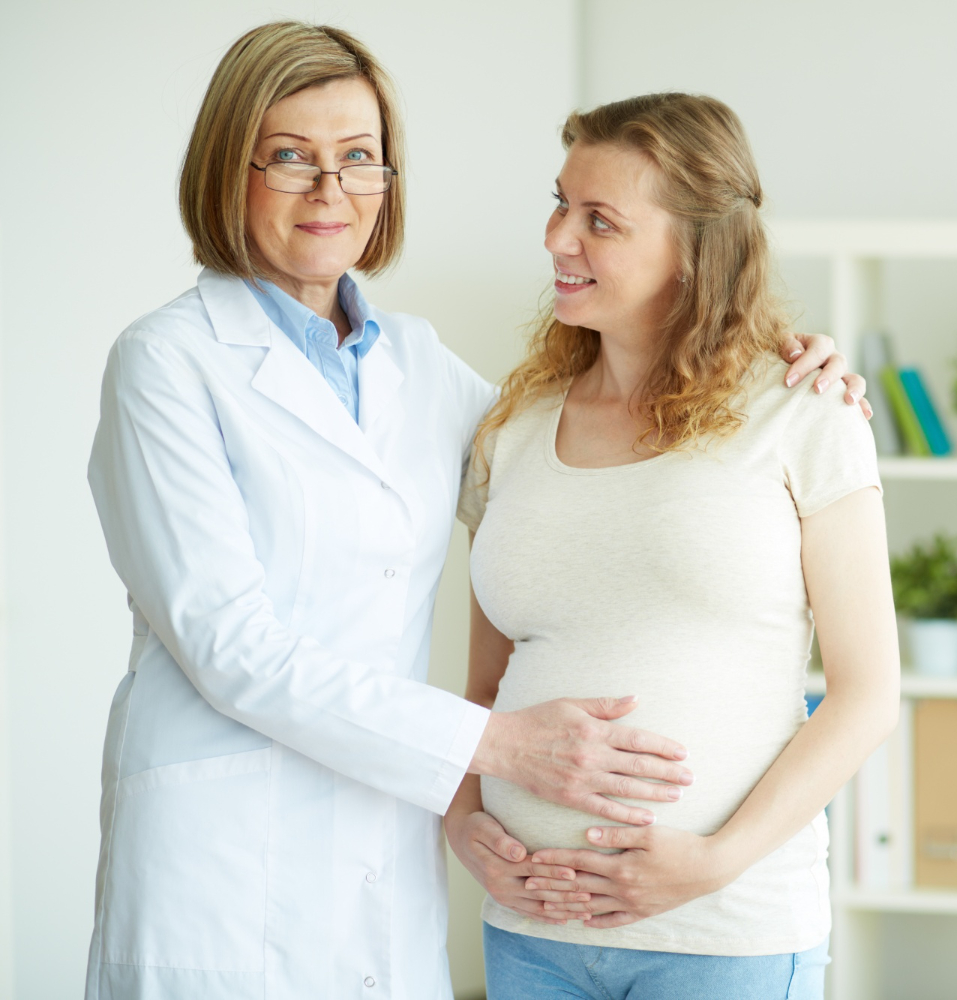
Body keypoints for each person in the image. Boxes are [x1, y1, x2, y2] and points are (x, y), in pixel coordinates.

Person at [84, 23, 866, 1000]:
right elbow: (230, 648)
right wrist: (495, 749)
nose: (331, 190)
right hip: (224, 863)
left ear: (389, 180)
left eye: (358, 158)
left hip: (396, 869)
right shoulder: (166, 363)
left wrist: (777, 356)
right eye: (290, 157)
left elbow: (602, 460)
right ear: (226, 171)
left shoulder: (421, 368)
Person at [447, 93, 901, 1000]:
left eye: (600, 221)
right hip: (531, 932)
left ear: (696, 250)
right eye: (561, 203)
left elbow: (866, 696)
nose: (557, 238)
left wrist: (714, 860)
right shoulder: (513, 429)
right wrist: (463, 825)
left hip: (725, 934)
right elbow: (486, 693)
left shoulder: (804, 411)